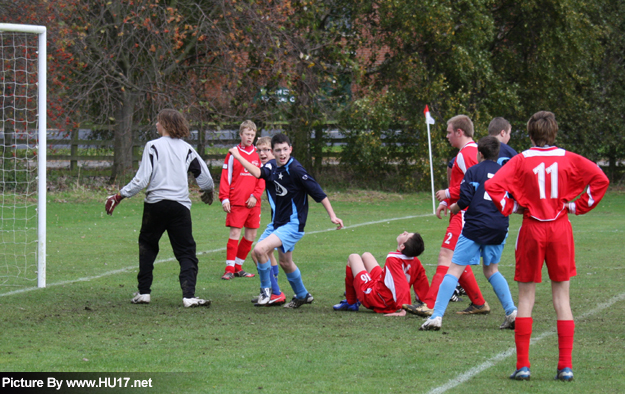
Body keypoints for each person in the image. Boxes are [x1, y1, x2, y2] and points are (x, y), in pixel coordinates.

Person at [484, 111, 609, 381]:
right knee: (562, 299)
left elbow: (493, 185)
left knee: (526, 299)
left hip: (532, 227)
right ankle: (565, 367)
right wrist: (577, 206)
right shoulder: (569, 158)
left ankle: (523, 366)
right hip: (560, 227)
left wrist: (512, 206)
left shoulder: (521, 160)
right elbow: (601, 179)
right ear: (554, 133)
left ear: (530, 134)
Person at [104, 108, 214, 308]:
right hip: (180, 207)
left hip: (155, 206)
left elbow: (142, 179)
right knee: (186, 251)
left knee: (147, 247)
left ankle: (144, 292)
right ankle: (189, 296)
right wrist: (208, 191)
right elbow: (205, 179)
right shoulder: (187, 149)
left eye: (158, 121)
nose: (156, 124)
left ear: (165, 124)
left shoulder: (153, 146)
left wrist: (119, 195)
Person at [228, 133, 344, 308]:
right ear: (274, 152)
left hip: (293, 224)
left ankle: (266, 291)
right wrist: (240, 157)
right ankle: (302, 295)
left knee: (260, 249)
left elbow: (318, 193)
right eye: (277, 150)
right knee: (284, 261)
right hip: (277, 223)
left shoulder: (296, 170)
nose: (281, 153)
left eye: (284, 149)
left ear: (290, 149)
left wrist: (332, 215)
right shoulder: (272, 167)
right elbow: (258, 172)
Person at [420, 136, 517, 331]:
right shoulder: (505, 172)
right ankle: (512, 312)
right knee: (491, 270)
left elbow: (464, 200)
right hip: (499, 226)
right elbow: (515, 199)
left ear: (480, 153)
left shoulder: (473, 171)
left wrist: (454, 208)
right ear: (497, 154)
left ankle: (436, 316)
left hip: (475, 226)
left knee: (454, 269)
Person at [403, 115, 490, 316]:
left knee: (445, 256)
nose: (447, 136)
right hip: (461, 211)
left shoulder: (466, 153)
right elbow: (463, 183)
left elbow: (475, 184)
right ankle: (478, 302)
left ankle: (429, 303)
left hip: (465, 214)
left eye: (449, 132)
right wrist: (445, 201)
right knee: (457, 259)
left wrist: (449, 194)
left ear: (460, 132)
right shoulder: (468, 152)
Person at [334, 232, 429, 316]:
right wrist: (426, 303)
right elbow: (422, 281)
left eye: (406, 235)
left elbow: (400, 284)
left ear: (402, 246)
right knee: (366, 255)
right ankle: (353, 298)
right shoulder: (415, 261)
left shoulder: (393, 259)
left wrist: (404, 308)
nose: (404, 232)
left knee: (353, 257)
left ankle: (351, 302)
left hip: (378, 299)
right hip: (384, 290)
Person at [218, 120, 264, 280]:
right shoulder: (232, 153)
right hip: (237, 201)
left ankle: (238, 267)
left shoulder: (259, 154)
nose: (250, 137)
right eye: (247, 134)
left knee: (251, 235)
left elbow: (262, 177)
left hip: (254, 203)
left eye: (252, 134)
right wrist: (224, 198)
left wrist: (255, 195)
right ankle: (229, 268)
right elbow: (226, 176)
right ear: (241, 134)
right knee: (235, 233)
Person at [249, 136, 284, 305]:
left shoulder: (271, 165)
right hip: (279, 220)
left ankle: (274, 291)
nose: (262, 153)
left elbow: (259, 173)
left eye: (266, 150)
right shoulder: (274, 166)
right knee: (268, 253)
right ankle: (273, 290)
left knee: (257, 252)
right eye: (259, 150)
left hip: (282, 221)